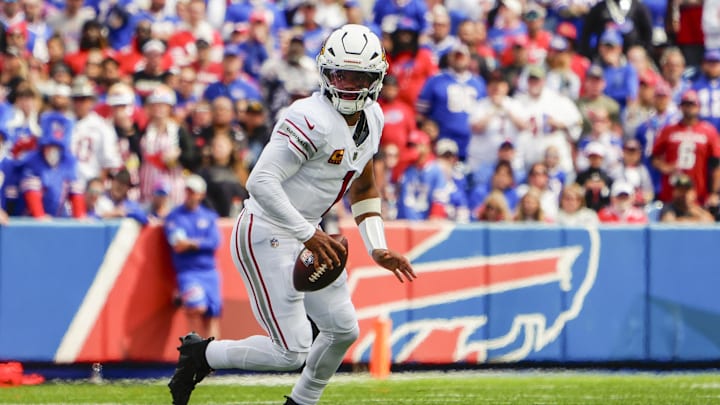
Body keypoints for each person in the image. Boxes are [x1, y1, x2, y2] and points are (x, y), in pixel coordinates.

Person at [167, 24, 416, 405]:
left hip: (307, 231)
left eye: (358, 77)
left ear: (376, 78)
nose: (348, 85)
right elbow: (261, 182)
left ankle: (301, 402)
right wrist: (307, 233)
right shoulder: (308, 116)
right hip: (266, 229)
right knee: (292, 350)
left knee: (343, 330)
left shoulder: (375, 119)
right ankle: (201, 355)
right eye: (340, 75)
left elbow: (364, 187)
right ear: (324, 73)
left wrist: (378, 248)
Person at [164, 174, 222, 340]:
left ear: (201, 195)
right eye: (188, 191)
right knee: (197, 308)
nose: (190, 195)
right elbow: (178, 244)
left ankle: (211, 357)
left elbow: (215, 241)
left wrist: (192, 243)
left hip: (210, 272)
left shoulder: (208, 216)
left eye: (193, 192)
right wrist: (199, 243)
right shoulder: (175, 216)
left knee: (212, 314)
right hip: (188, 272)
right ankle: (195, 351)